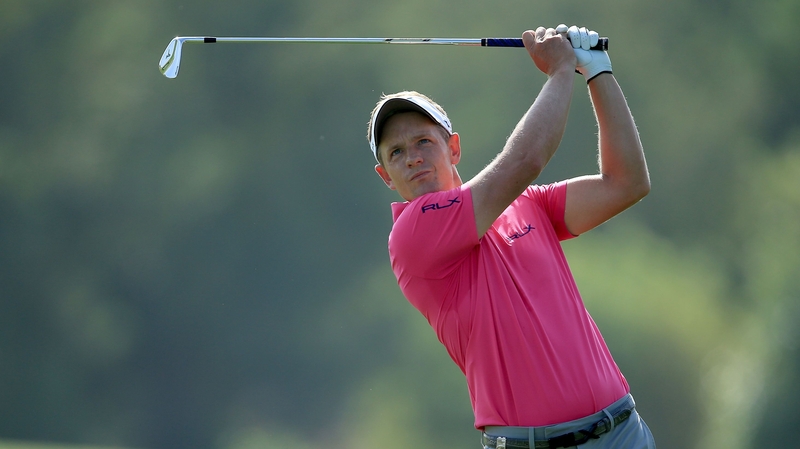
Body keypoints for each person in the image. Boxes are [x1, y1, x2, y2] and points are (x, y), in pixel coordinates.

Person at [366, 24, 655, 449]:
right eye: (396, 152)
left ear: (454, 149)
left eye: (424, 141)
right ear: (385, 177)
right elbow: (526, 158)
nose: (412, 158)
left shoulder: (525, 204)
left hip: (621, 432)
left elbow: (626, 183)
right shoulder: (411, 236)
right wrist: (561, 71)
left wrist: (597, 72)